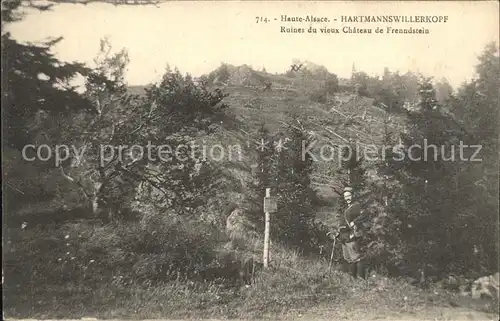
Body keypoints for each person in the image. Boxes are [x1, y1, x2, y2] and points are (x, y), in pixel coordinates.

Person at [337, 187, 366, 279]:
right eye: (345, 196)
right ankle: (353, 279)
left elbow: (365, 214)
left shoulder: (356, 206)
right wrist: (339, 231)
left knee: (356, 257)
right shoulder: (346, 207)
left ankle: (361, 279)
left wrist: (356, 222)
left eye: (349, 196)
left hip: (351, 234)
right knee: (348, 258)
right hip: (343, 235)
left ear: (353, 195)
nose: (347, 198)